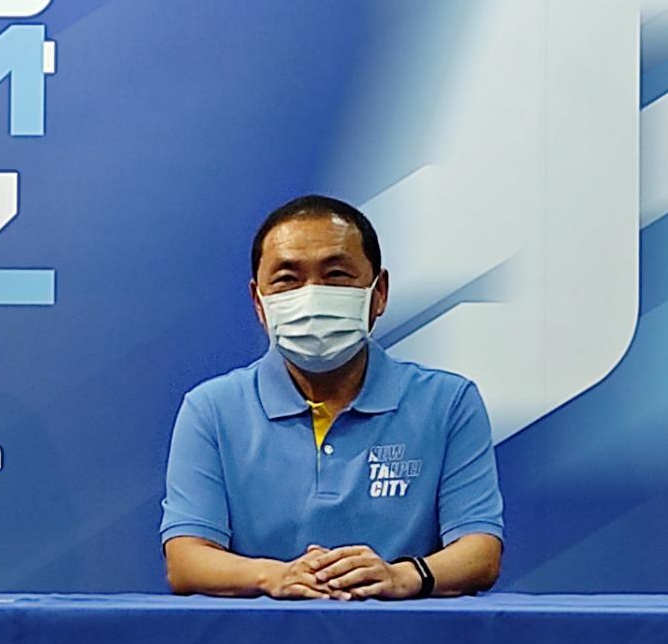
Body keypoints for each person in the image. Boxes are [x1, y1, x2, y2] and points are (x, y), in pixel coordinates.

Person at [160, 195, 503, 600]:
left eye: (336, 274)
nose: (312, 297)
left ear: (379, 292)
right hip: (259, 637)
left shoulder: (448, 402)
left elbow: (480, 551)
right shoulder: (211, 409)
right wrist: (275, 577)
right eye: (287, 279)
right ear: (259, 302)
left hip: (406, 636)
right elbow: (185, 559)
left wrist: (401, 576)